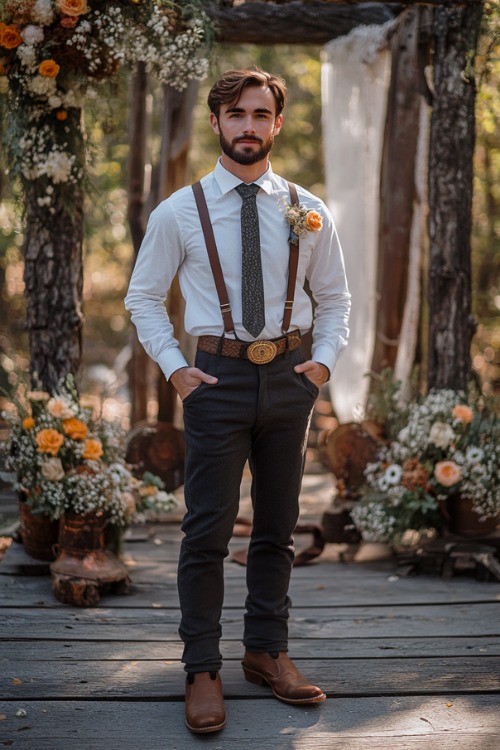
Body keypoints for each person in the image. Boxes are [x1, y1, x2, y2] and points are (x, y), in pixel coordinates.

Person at [125, 67, 350, 734]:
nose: (248, 126)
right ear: (218, 123)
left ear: (277, 123)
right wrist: (173, 368)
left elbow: (335, 299)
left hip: (290, 379)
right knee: (207, 529)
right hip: (214, 381)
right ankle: (201, 667)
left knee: (277, 525)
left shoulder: (309, 208)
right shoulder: (179, 211)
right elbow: (142, 297)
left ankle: (265, 651)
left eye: (260, 114)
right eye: (236, 114)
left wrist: (323, 365)